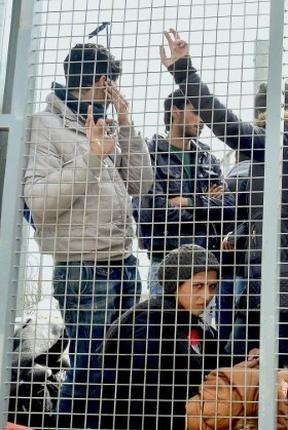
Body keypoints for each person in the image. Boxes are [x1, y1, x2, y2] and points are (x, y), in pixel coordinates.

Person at [159, 29, 288, 366]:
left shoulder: (280, 144)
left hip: (279, 282)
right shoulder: (279, 155)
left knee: (258, 371)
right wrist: (221, 222)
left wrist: (184, 71)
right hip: (269, 279)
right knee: (253, 367)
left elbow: (223, 123)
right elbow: (253, 210)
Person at [23, 43, 153, 428]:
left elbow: (141, 182)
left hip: (123, 262)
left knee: (121, 369)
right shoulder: (45, 126)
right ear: (102, 82)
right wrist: (93, 157)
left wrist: (126, 126)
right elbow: (40, 201)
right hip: (84, 268)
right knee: (91, 370)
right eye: (111, 82)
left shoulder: (101, 122)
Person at [100, 244, 233, 429]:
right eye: (198, 286)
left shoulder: (196, 324)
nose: (207, 295)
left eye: (212, 286)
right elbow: (146, 400)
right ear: (175, 285)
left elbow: (222, 364)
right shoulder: (149, 324)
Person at [134, 88, 236, 296]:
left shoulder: (207, 159)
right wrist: (208, 205)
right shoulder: (151, 156)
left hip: (205, 265)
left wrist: (190, 203)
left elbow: (230, 210)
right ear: (175, 111)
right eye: (197, 112)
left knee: (199, 329)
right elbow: (152, 212)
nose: (203, 121)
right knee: (164, 327)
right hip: (166, 263)